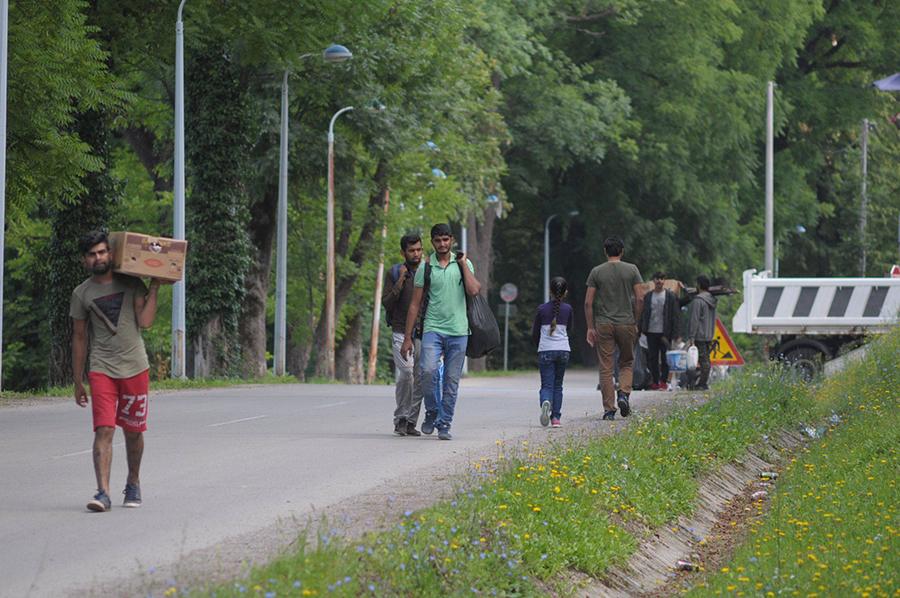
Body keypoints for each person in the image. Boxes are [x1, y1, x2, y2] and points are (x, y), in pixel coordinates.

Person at [70, 230, 162, 512]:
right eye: (91, 254)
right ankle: (103, 493)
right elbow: (80, 337)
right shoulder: (81, 294)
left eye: (101, 252)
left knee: (133, 431)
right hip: (102, 369)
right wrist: (77, 379)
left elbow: (144, 322)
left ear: (110, 253)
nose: (98, 257)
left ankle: (133, 482)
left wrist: (155, 286)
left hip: (135, 367)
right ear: (85, 260)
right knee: (104, 429)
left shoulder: (131, 282)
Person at [401, 223, 481, 440]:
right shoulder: (425, 268)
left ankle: (444, 423)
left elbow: (474, 290)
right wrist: (407, 338)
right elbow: (414, 305)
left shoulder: (463, 264)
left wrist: (463, 264)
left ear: (452, 240)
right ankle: (433, 411)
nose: (442, 244)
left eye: (446, 240)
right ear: (432, 242)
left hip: (459, 331)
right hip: (433, 329)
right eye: (438, 240)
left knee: (451, 381)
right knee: (427, 372)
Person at [584, 236, 644, 420]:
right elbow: (640, 298)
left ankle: (609, 410)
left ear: (605, 251)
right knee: (626, 362)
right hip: (626, 322)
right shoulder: (632, 270)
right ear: (622, 251)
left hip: (603, 324)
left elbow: (588, 303)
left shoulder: (596, 272)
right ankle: (624, 394)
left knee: (606, 368)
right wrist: (636, 321)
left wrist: (590, 327)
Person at [382, 233, 425, 436]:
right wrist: (400, 281)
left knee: (421, 376)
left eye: (418, 249)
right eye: (411, 250)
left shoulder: (429, 271)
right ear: (403, 252)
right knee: (406, 373)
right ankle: (400, 417)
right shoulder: (394, 272)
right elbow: (387, 302)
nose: (416, 254)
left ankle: (411, 421)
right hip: (400, 330)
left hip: (425, 332)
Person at [532, 277, 573, 428]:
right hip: (563, 350)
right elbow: (569, 328)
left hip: (546, 350)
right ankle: (556, 418)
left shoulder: (542, 309)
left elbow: (535, 333)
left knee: (547, 385)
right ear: (565, 292)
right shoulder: (568, 309)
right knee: (558, 385)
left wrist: (540, 346)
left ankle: (545, 402)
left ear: (550, 291)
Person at [639, 272, 681, 390]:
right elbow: (643, 313)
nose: (659, 281)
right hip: (651, 331)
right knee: (652, 358)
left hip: (665, 333)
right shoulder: (648, 296)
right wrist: (641, 328)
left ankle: (663, 381)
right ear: (653, 281)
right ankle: (655, 381)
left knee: (665, 358)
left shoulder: (670, 296)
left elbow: (675, 316)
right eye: (657, 279)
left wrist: (676, 334)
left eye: (661, 279)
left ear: (664, 281)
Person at [687, 274, 717, 390]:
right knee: (705, 359)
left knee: (701, 361)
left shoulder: (698, 301)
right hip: (709, 334)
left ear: (698, 285)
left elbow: (694, 320)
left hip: (699, 335)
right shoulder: (712, 300)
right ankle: (701, 382)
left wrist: (691, 337)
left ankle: (702, 383)